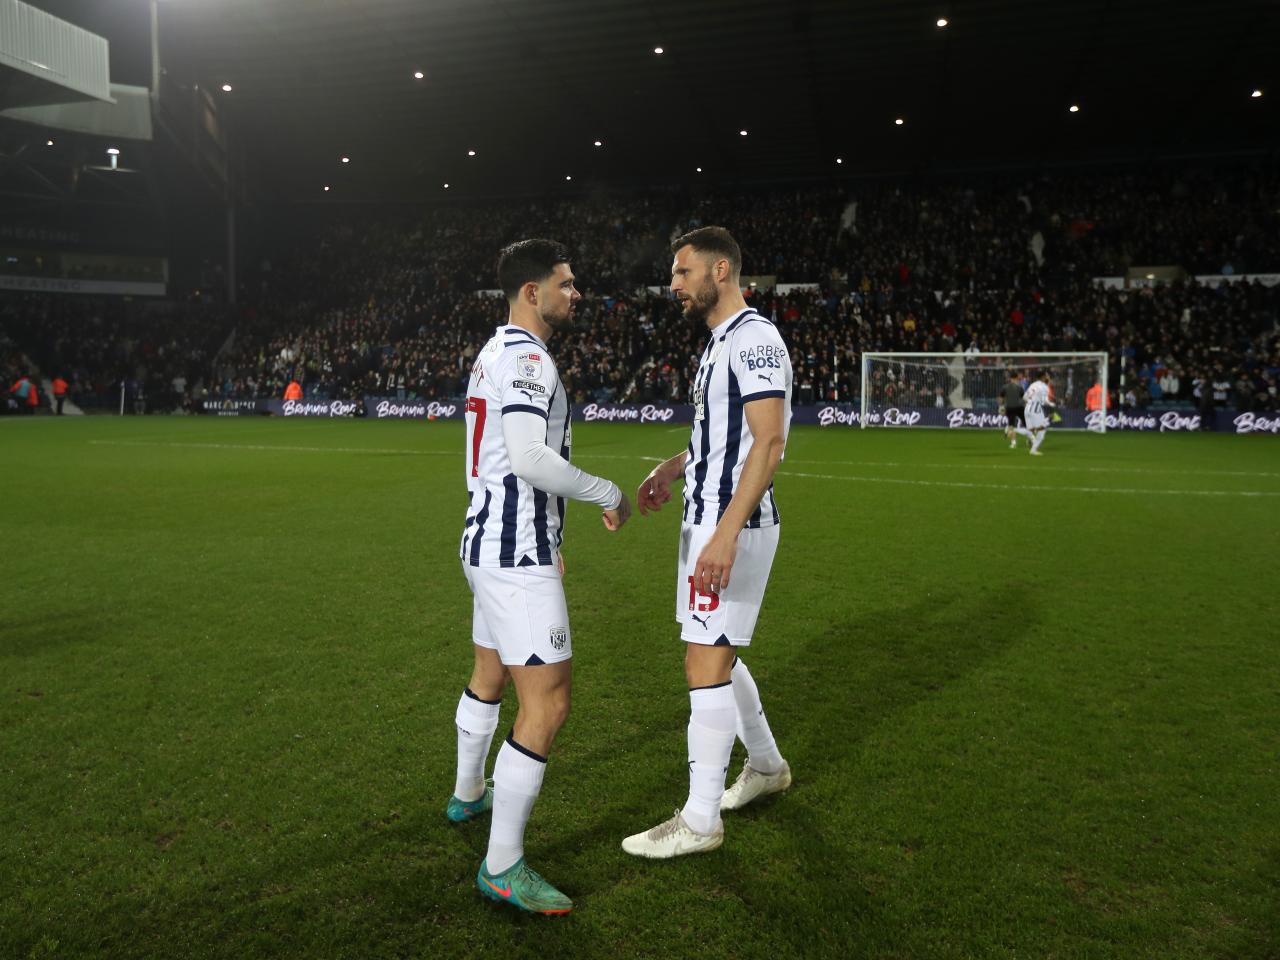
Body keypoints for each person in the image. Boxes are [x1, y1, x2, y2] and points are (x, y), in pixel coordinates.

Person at [452, 238, 631, 915]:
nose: (576, 292)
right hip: (515, 553)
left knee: (490, 674)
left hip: (485, 541)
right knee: (548, 704)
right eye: (567, 282)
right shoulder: (527, 357)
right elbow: (528, 456)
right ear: (533, 291)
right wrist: (607, 491)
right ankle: (502, 866)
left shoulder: (493, 351)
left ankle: (469, 793)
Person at [622, 226, 792, 860]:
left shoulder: (753, 340)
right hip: (708, 520)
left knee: (704, 663)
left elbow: (768, 443)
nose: (674, 284)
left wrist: (722, 536)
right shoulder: (721, 343)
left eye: (682, 272)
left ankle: (699, 820)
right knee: (715, 654)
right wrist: (672, 468)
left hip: (732, 528)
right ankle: (768, 767)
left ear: (721, 270)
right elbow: (724, 440)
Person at [1023, 370, 1056, 456]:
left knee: (1033, 429)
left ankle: (1030, 438)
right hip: (1036, 409)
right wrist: (1052, 404)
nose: (1048, 377)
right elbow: (1043, 401)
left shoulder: (1032, 384)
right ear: (1043, 377)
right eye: (1047, 376)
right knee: (1042, 430)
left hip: (1027, 408)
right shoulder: (1044, 387)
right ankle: (1033, 450)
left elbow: (1025, 397)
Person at [1000, 370, 1027, 448]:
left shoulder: (1005, 387)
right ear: (1017, 378)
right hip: (1019, 408)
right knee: (1027, 425)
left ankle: (1013, 443)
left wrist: (1001, 406)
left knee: (1011, 426)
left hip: (1010, 408)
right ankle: (1031, 440)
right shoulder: (1020, 387)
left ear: (1010, 378)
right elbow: (1023, 398)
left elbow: (1001, 399)